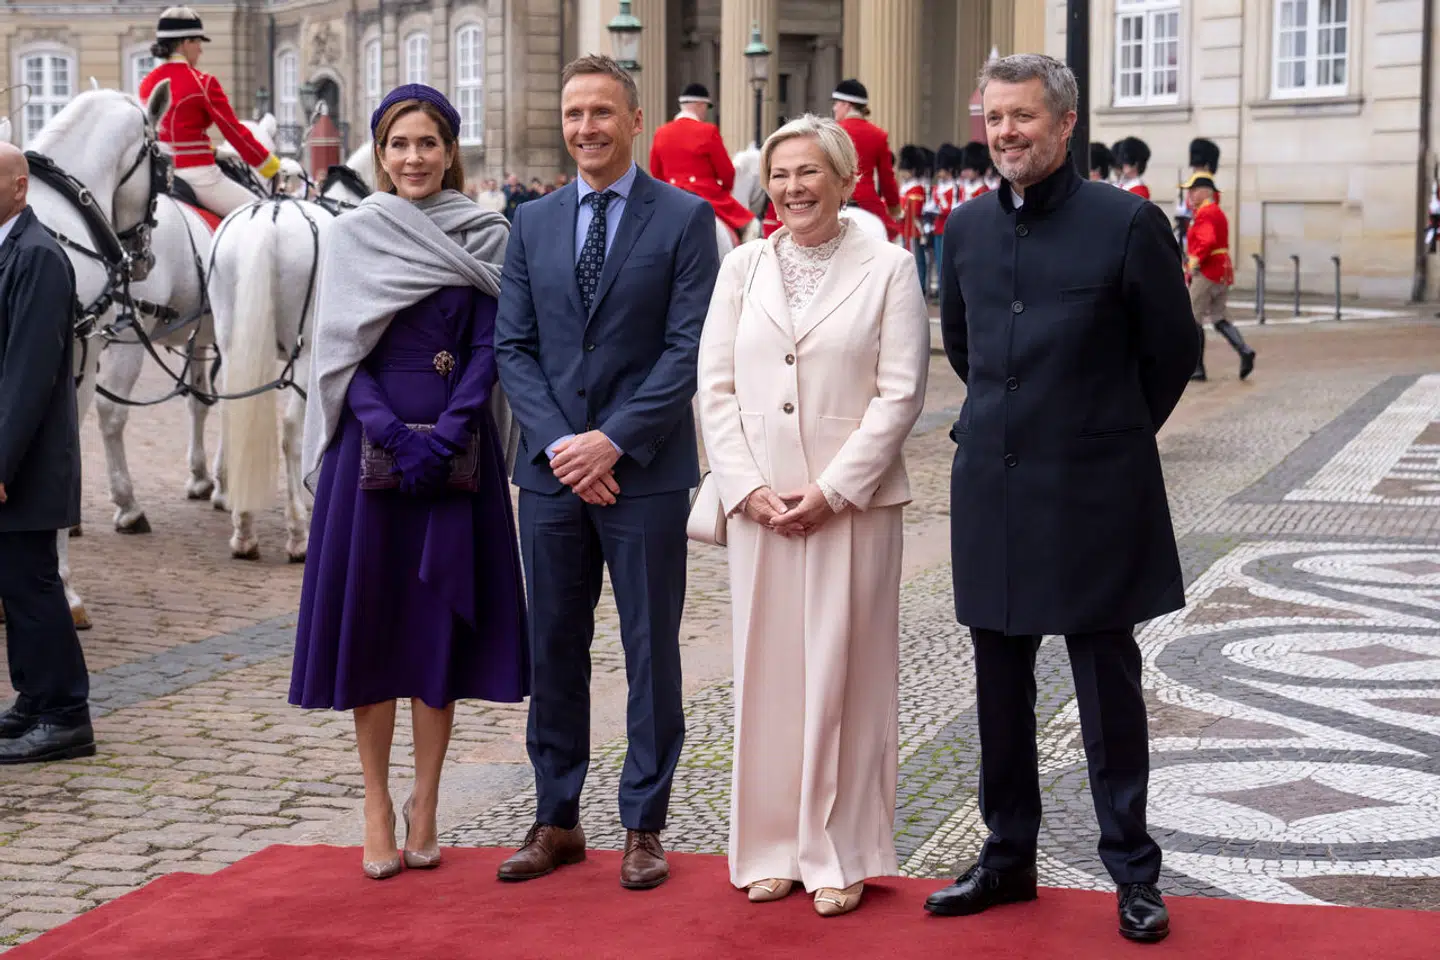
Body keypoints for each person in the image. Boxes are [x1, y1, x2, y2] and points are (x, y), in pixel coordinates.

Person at [928, 54, 1197, 944]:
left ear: (1066, 123)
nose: (1005, 132)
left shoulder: (1127, 224)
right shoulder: (962, 231)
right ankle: (1006, 858)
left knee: (1106, 690)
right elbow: (968, 352)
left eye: (1023, 117)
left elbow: (1168, 354)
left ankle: (1132, 870)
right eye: (994, 117)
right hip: (994, 486)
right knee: (998, 686)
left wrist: (1100, 434)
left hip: (1093, 490)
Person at [494, 54, 719, 891]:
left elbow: (688, 347)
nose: (586, 128)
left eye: (602, 112)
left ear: (635, 120)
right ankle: (556, 819)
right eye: (573, 113)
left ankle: (643, 824)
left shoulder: (685, 220)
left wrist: (612, 440)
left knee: (650, 648)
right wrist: (564, 446)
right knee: (553, 647)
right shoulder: (532, 222)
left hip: (646, 473)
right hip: (552, 476)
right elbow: (512, 347)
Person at [292, 84, 529, 880]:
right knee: (373, 627)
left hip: (457, 466)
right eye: (399, 145)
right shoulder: (353, 234)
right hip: (367, 462)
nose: (414, 158)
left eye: (428, 143)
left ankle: (427, 800)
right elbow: (338, 351)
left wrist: (454, 429)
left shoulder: (488, 234)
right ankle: (374, 803)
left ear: (450, 150)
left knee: (437, 630)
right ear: (381, 155)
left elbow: (496, 345)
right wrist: (392, 432)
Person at [698, 113, 928, 917]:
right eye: (782, 174)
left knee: (846, 674)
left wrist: (833, 488)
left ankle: (839, 852)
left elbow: (900, 394)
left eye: (810, 173)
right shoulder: (743, 268)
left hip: (850, 505)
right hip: (761, 501)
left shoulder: (891, 267)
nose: (793, 188)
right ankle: (768, 848)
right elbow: (715, 386)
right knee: (767, 676)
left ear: (844, 179)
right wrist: (743, 484)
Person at [0, 143, 94, 766]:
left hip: (25, 461)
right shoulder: (11, 249)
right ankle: (35, 697)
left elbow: (26, 374)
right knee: (13, 581)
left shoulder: (38, 256)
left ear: (19, 186)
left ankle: (66, 715)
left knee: (33, 583)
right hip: (14, 457)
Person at [139, 7, 282, 216]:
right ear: (185, 43)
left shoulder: (147, 83)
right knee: (264, 214)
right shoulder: (202, 83)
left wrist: (215, 151)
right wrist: (271, 167)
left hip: (158, 176)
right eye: (197, 42)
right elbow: (234, 132)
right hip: (199, 176)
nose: (200, 50)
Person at [650, 83, 758, 242]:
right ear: (700, 105)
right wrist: (724, 190)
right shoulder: (708, 131)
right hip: (706, 195)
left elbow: (656, 172)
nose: (706, 112)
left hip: (669, 197)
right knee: (752, 225)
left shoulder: (661, 132)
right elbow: (727, 172)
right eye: (706, 107)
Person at [1183, 171, 1254, 382]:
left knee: (1193, 318)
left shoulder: (1205, 213)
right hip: (1221, 271)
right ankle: (1244, 350)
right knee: (1219, 317)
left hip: (1206, 271)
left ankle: (1198, 368)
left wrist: (1192, 265)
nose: (1191, 194)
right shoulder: (1215, 211)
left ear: (1206, 192)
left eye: (1194, 190)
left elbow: (1206, 242)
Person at [830, 79, 901, 240]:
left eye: (837, 103)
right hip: (869, 203)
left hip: (838, 199)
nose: (834, 108)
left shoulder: (834, 133)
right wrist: (894, 208)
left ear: (847, 104)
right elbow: (887, 179)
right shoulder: (879, 135)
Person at [898, 144, 931, 292]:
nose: (902, 173)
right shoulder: (906, 186)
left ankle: (920, 287)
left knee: (917, 259)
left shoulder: (917, 187)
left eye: (905, 170)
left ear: (912, 170)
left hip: (914, 228)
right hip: (905, 228)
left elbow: (915, 209)